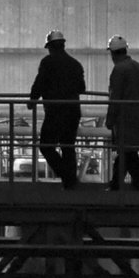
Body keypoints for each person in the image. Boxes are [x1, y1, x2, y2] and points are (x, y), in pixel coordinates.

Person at [27, 29, 85, 188]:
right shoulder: (75, 64)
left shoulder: (47, 62)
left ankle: (65, 174)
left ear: (50, 46)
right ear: (63, 45)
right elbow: (82, 88)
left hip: (55, 111)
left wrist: (32, 100)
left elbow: (39, 83)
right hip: (73, 111)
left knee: (46, 145)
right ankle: (70, 182)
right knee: (68, 146)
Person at [104, 34, 139, 190]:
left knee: (126, 152)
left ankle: (121, 185)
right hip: (137, 117)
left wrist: (110, 120)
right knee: (129, 153)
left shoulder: (119, 70)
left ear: (113, 53)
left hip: (123, 119)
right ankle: (133, 184)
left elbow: (114, 97)